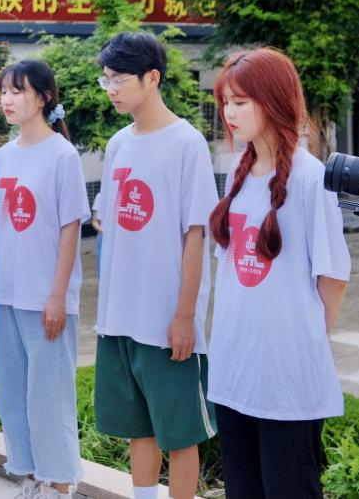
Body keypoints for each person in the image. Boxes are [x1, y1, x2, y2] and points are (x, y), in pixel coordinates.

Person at [207, 48, 350, 498]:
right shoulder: (238, 172)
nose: (229, 113)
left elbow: (333, 277)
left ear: (272, 101)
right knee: (242, 489)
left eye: (240, 102)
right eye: (225, 102)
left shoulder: (310, 177)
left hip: (286, 378)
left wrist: (303, 346)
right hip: (234, 369)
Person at [93, 32, 218, 499]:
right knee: (137, 429)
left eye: (118, 79)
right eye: (106, 79)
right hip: (119, 317)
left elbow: (195, 234)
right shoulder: (118, 144)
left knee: (180, 433)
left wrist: (185, 315)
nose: (110, 89)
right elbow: (112, 225)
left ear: (152, 78)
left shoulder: (187, 143)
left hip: (167, 321)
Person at [0, 60, 89, 499]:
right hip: (7, 295)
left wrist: (58, 295)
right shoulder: (4, 156)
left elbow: (70, 228)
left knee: (49, 396)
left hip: (45, 296)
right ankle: (30, 476)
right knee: (12, 395)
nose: (7, 99)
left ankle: (59, 484)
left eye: (18, 91)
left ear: (43, 97)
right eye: (4, 91)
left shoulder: (63, 155)